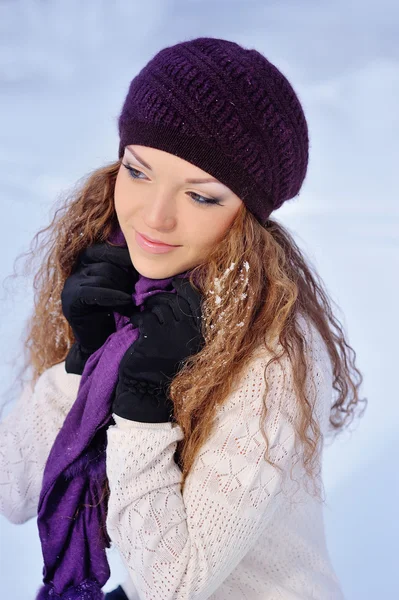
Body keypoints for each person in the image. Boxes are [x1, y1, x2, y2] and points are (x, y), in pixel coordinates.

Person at [0, 37, 366, 600]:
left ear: (248, 213)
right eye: (138, 172)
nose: (154, 216)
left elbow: (173, 586)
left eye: (201, 197)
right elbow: (12, 490)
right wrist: (82, 364)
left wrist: (143, 408)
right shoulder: (134, 297)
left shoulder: (273, 354)